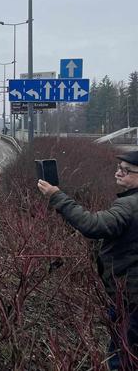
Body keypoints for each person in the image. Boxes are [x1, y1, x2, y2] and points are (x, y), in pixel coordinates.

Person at [38, 151, 138, 370]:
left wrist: (57, 196)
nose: (118, 173)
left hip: (130, 299)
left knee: (122, 357)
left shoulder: (129, 206)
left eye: (126, 170)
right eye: (119, 167)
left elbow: (93, 225)